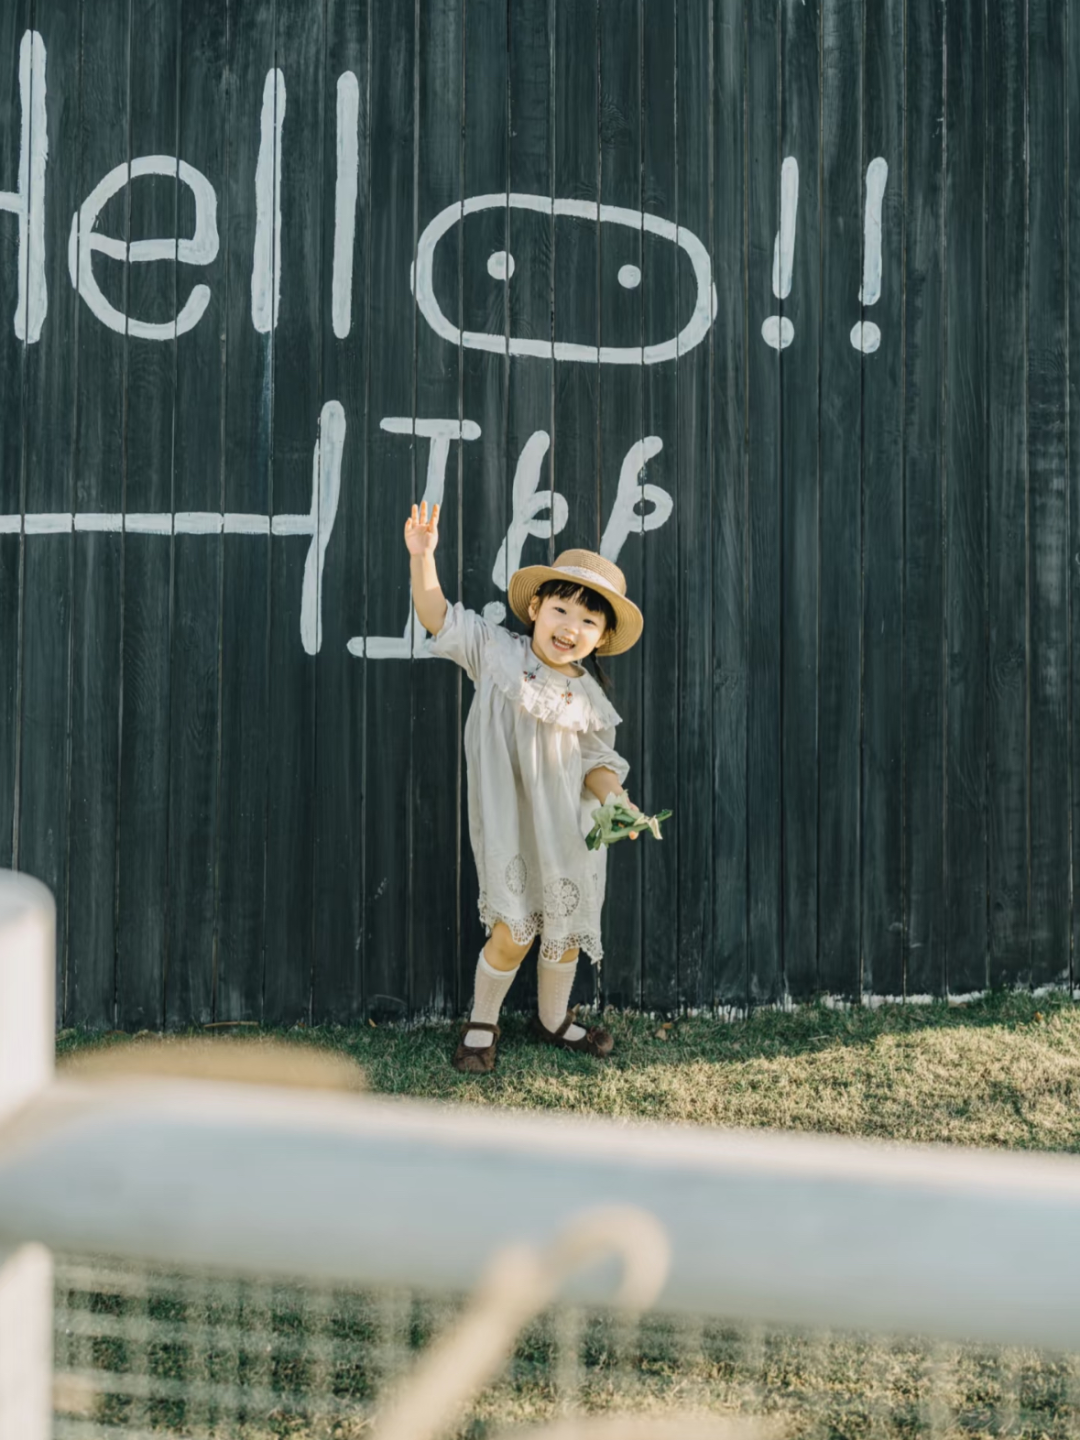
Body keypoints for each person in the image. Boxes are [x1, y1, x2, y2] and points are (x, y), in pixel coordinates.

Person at [404, 500, 646, 1073]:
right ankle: (482, 1020)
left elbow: (596, 760)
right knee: (514, 929)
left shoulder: (589, 697)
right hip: (510, 823)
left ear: (603, 635)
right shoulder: (496, 653)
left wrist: (618, 801)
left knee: (562, 933)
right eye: (561, 609)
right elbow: (438, 615)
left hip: (568, 828)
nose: (571, 627)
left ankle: (552, 1017)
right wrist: (423, 559)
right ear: (536, 606)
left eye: (589, 621)